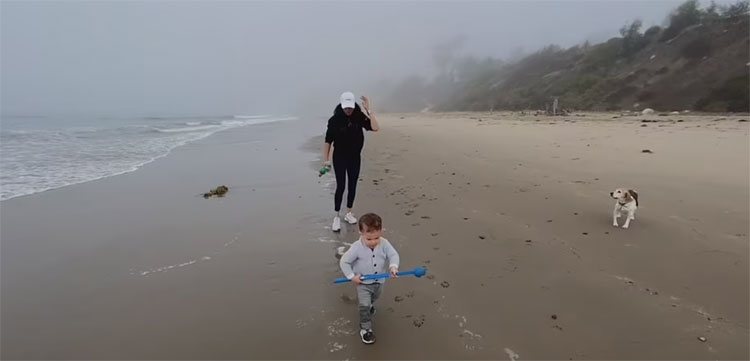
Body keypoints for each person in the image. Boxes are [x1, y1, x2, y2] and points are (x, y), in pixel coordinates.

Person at [322, 92, 380, 232]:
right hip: (340, 157)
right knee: (341, 186)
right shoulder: (334, 120)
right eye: (345, 107)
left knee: (353, 184)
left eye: (350, 107)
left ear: (354, 105)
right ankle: (336, 216)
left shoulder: (358, 116)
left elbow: (375, 127)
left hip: (354, 157)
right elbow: (328, 141)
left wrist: (368, 110)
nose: (348, 110)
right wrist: (326, 160)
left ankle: (348, 212)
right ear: (341, 105)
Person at [339, 213, 399, 344]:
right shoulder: (356, 247)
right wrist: (351, 276)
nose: (373, 242)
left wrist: (393, 267)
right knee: (364, 306)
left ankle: (370, 304)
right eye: (369, 239)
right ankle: (365, 329)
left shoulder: (384, 243)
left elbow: (393, 255)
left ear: (381, 231)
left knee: (375, 297)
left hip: (379, 281)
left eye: (376, 238)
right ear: (361, 233)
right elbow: (344, 262)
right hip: (363, 283)